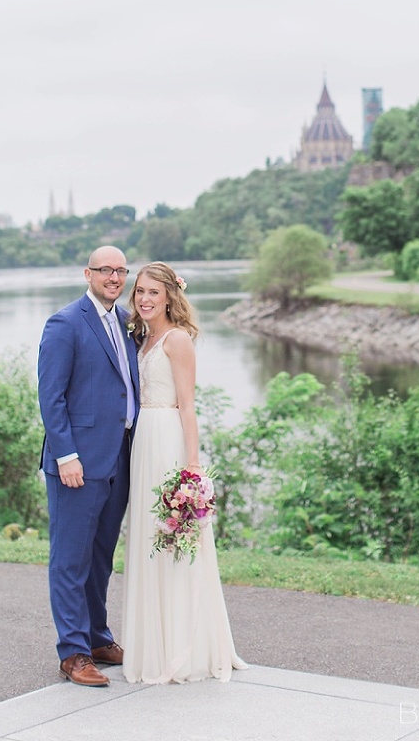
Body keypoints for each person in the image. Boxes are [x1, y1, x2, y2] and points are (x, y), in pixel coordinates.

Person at [120, 262, 246, 683]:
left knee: (175, 538)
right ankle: (150, 641)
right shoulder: (141, 336)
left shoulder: (177, 340)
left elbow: (188, 405)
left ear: (171, 296)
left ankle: (183, 646)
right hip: (143, 442)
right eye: (140, 291)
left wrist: (193, 467)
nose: (145, 299)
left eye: (154, 292)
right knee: (147, 535)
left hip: (169, 441)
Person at [37, 245, 139, 688]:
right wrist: (66, 456)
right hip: (76, 463)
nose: (114, 277)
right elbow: (51, 396)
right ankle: (73, 653)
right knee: (70, 559)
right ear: (88, 273)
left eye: (120, 270)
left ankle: (98, 638)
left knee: (100, 557)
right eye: (105, 270)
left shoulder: (122, 321)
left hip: (119, 457)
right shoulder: (64, 323)